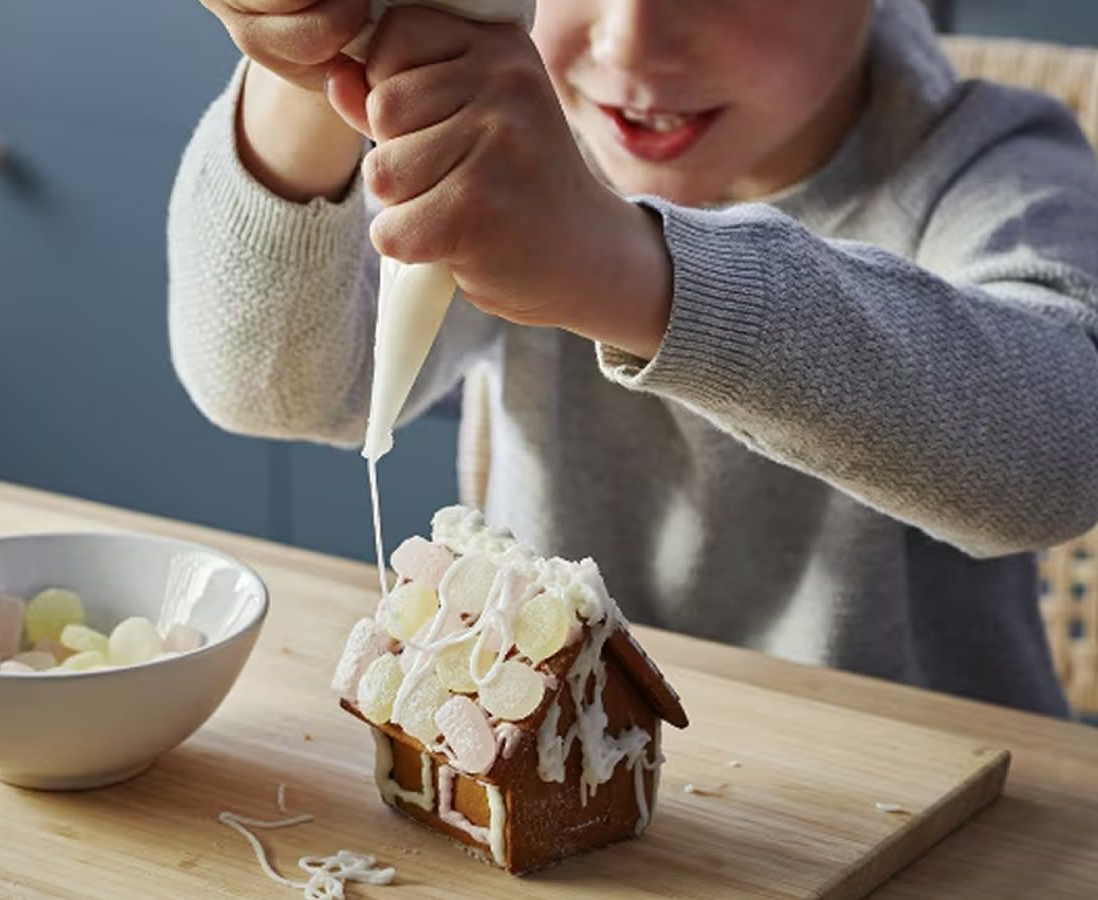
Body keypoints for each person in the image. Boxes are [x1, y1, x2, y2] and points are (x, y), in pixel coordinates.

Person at [169, 0, 1098, 716]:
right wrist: (311, 70)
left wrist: (629, 274)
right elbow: (280, 390)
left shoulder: (985, 163)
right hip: (561, 773)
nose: (630, 45)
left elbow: (1066, 449)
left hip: (933, 821)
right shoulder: (523, 135)